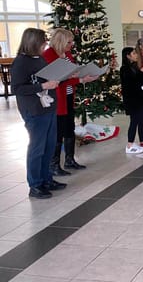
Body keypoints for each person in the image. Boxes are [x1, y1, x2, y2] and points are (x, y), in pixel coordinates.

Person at [12, 28, 66, 199]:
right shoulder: (21, 62)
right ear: (34, 42)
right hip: (34, 110)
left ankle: (46, 179)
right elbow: (17, 88)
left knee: (49, 146)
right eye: (43, 41)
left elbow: (44, 77)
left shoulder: (40, 58)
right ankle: (35, 184)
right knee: (37, 148)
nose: (46, 44)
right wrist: (43, 86)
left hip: (48, 107)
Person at [43, 28, 98, 176]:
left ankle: (69, 159)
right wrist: (70, 76)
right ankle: (54, 165)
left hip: (68, 95)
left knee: (69, 128)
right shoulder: (48, 55)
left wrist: (82, 78)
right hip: (56, 97)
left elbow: (70, 75)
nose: (71, 45)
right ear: (60, 41)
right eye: (69, 42)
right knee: (58, 131)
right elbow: (50, 78)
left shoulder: (67, 54)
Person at [120, 47, 143, 153]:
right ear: (128, 56)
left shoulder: (134, 67)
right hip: (132, 100)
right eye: (133, 53)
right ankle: (129, 144)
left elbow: (139, 82)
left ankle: (132, 143)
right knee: (134, 121)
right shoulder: (124, 69)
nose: (136, 55)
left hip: (139, 98)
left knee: (139, 120)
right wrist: (140, 73)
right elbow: (130, 84)